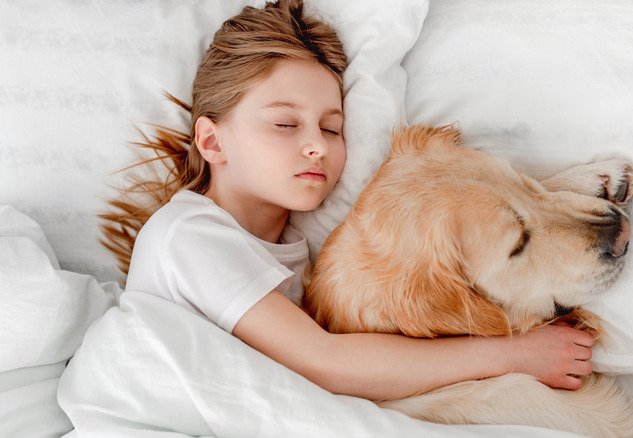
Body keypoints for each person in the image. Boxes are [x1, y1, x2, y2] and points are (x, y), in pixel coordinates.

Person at [101, 0, 594, 402]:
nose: (317, 143)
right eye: (285, 123)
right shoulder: (186, 235)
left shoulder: (300, 251)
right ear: (212, 143)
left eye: (332, 127)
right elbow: (325, 364)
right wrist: (516, 355)